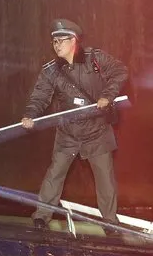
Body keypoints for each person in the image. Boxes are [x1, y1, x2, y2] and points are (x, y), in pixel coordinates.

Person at [21, 18, 128, 230]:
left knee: (105, 179)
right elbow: (40, 96)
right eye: (54, 41)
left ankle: (110, 222)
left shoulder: (94, 59)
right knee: (55, 173)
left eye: (61, 40)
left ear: (74, 41)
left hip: (97, 130)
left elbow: (120, 70)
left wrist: (107, 95)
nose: (57, 45)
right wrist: (30, 114)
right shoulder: (51, 70)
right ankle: (41, 216)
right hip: (68, 132)